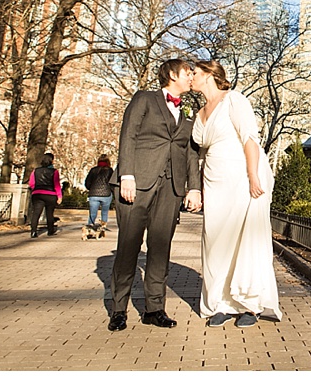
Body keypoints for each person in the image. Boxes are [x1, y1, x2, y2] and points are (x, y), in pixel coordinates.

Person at [107, 59, 201, 332]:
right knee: (128, 247)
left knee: (160, 250)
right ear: (172, 75)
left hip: (170, 189)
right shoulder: (144, 99)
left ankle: (154, 309)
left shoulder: (187, 114)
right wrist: (127, 176)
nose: (191, 77)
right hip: (136, 184)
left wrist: (193, 187)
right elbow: (129, 136)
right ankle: (118, 310)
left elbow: (191, 154)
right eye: (188, 73)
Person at [187, 59, 281, 328]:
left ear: (209, 74)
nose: (190, 77)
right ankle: (221, 303)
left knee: (243, 239)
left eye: (194, 72)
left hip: (240, 177)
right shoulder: (200, 112)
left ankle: (249, 306)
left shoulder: (235, 100)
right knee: (215, 241)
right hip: (214, 180)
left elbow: (250, 139)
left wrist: (253, 176)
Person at [28, 152, 62, 238]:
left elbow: (31, 183)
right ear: (51, 161)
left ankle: (33, 231)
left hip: (37, 193)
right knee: (49, 213)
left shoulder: (35, 171)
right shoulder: (54, 172)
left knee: (36, 213)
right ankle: (50, 230)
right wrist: (59, 196)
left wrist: (35, 190)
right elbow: (56, 185)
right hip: (50, 194)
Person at [84, 154, 114, 228]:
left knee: (92, 213)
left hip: (94, 194)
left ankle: (89, 227)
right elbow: (112, 183)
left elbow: (87, 182)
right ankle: (103, 228)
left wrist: (90, 189)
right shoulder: (110, 170)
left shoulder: (93, 170)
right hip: (106, 194)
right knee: (104, 213)